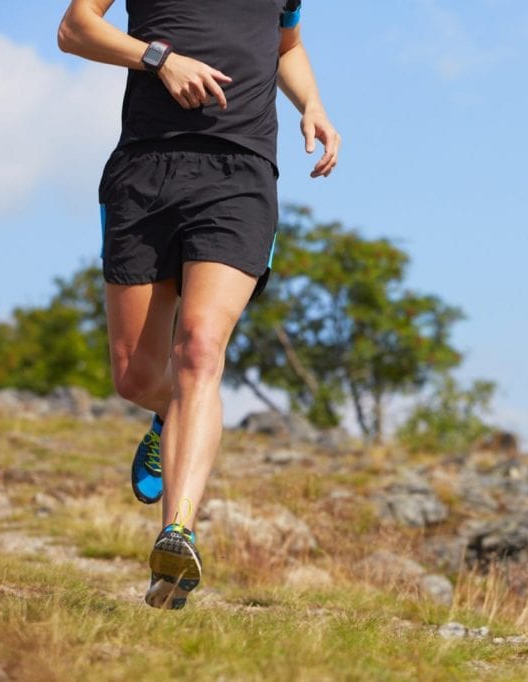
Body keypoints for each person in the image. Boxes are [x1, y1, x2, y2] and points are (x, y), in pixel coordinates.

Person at [57, 0, 340, 609]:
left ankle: (176, 536)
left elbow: (285, 44)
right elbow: (75, 28)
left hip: (240, 173)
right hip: (144, 168)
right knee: (135, 376)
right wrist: (159, 60)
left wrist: (312, 104)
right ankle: (169, 416)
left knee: (201, 350)